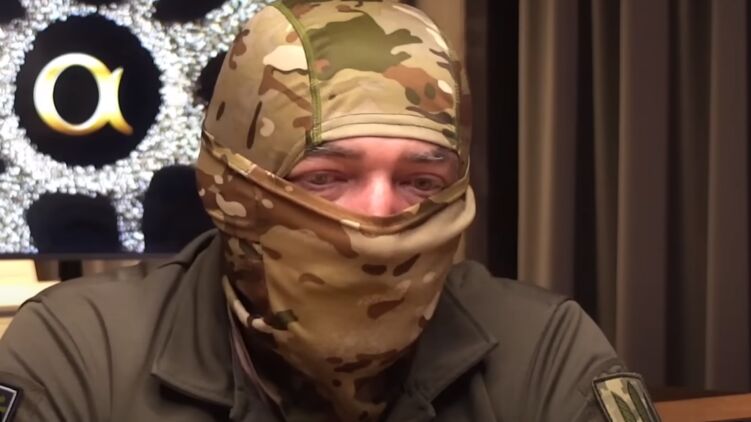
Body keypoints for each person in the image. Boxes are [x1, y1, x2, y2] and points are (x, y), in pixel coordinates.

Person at [0, 1, 662, 421]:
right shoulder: (79, 357)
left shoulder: (543, 352)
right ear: (231, 189)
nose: (378, 218)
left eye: (420, 180)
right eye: (324, 178)